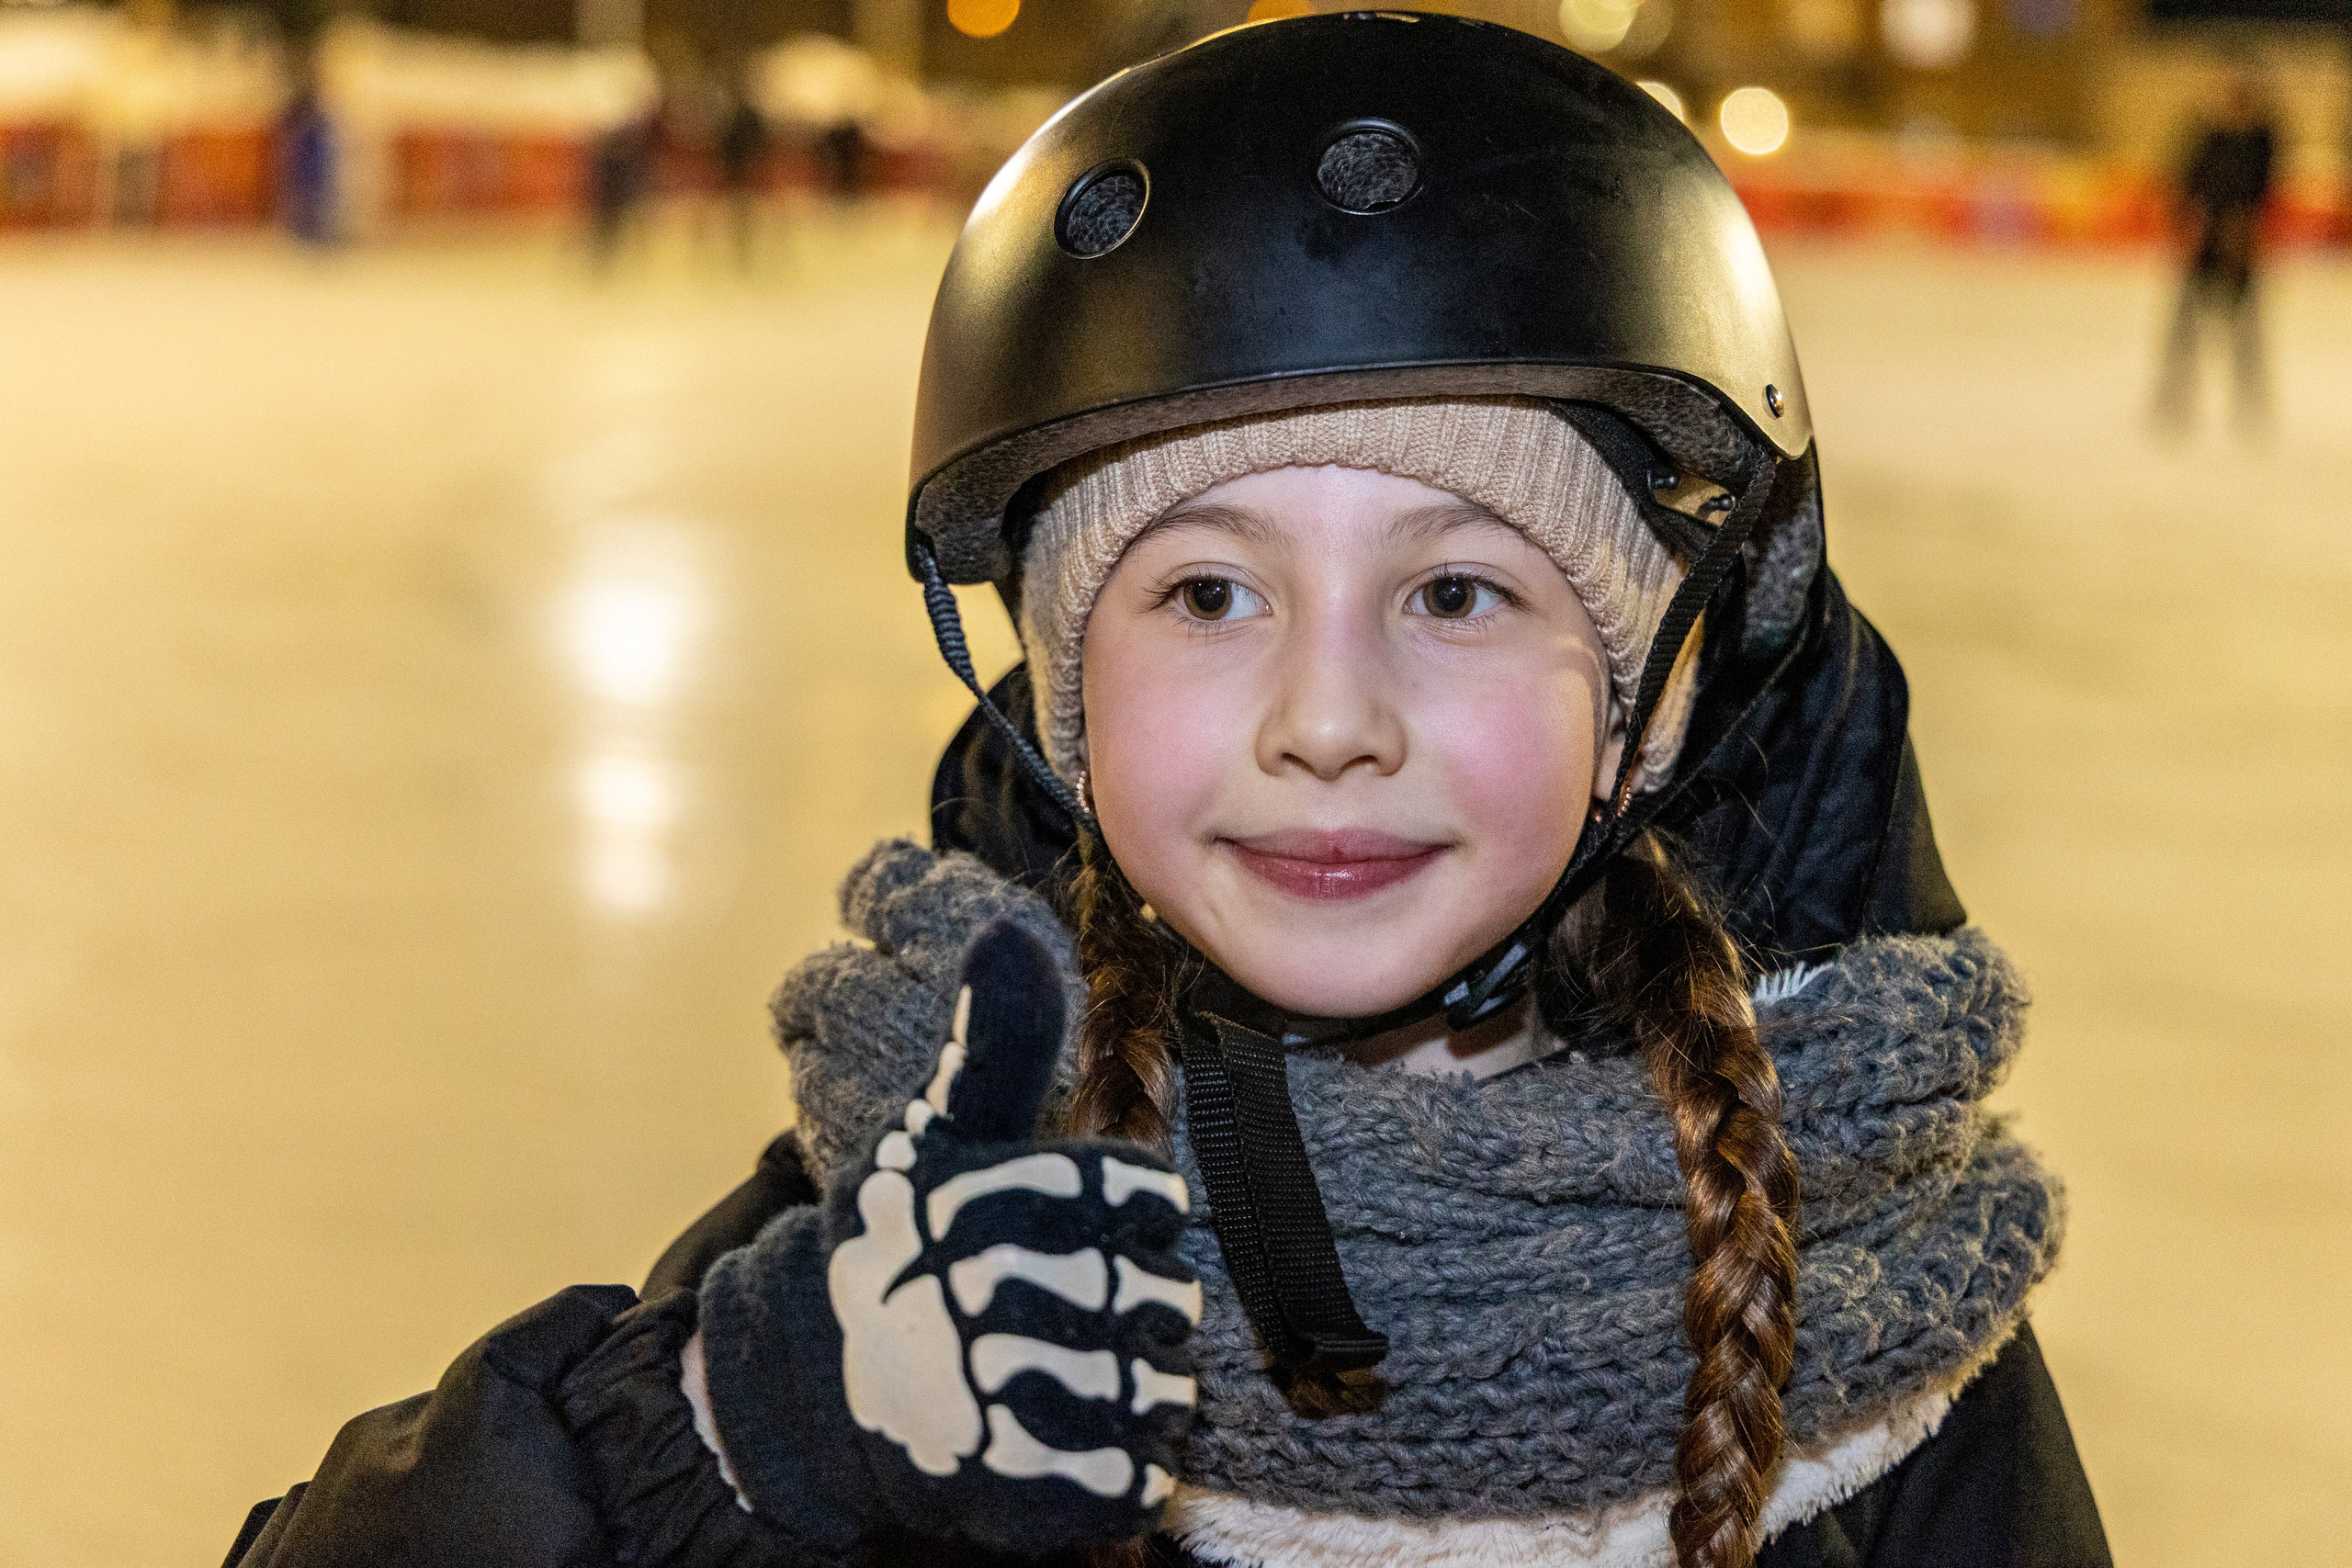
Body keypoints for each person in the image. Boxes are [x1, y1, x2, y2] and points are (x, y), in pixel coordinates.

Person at [220, 17, 2112, 1568]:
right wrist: (728, 1433)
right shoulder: (924, 1246)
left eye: (1458, 593)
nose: (1326, 719)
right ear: (1062, 701)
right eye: (1206, 594)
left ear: (1647, 702)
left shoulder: (1867, 1302)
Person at [2153, 71, 2278, 436]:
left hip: (2237, 250)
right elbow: (2185, 187)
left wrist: (2245, 231)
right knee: (2185, 331)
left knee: (2245, 335)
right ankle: (2174, 405)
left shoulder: (2260, 139)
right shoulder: (2207, 136)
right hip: (2205, 245)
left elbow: (2263, 192)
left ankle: (2250, 410)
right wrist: (2187, 227)